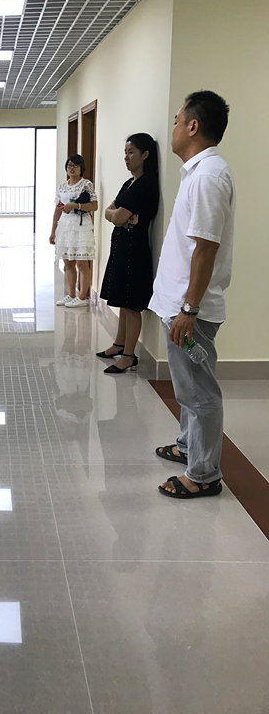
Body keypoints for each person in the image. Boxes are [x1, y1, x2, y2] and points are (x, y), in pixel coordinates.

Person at [150, 90, 235, 500]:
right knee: (187, 388)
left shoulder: (208, 177)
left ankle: (203, 474)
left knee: (200, 393)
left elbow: (206, 248)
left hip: (191, 311)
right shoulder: (197, 172)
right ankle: (188, 447)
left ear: (193, 126)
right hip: (180, 305)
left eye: (176, 120)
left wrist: (188, 310)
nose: (173, 127)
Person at [98, 133, 160, 374]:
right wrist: (117, 215)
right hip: (122, 247)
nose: (126, 157)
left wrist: (118, 215)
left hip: (135, 250)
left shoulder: (145, 184)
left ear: (145, 155)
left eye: (131, 152)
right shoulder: (129, 183)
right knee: (122, 301)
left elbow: (117, 217)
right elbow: (110, 211)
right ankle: (119, 344)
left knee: (131, 304)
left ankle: (128, 355)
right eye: (125, 152)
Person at [49, 154, 98, 308]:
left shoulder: (86, 184)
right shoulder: (62, 187)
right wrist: (53, 231)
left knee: (81, 262)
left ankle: (82, 296)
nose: (72, 168)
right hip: (65, 226)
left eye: (75, 165)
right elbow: (57, 210)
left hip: (81, 226)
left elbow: (94, 206)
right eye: (69, 165)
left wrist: (76, 206)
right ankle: (71, 295)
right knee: (68, 262)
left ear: (81, 168)